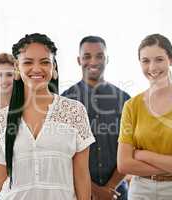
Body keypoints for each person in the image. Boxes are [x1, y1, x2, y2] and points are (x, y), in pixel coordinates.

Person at [0, 33, 95, 200]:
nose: (36, 69)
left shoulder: (74, 111)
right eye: (28, 62)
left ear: (54, 68)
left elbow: (82, 176)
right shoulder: (2, 118)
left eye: (44, 62)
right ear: (17, 68)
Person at [117, 33, 172, 200]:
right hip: (141, 191)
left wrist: (144, 155)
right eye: (146, 61)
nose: (152, 67)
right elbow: (124, 164)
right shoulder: (132, 106)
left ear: (170, 60)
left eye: (159, 59)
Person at [62, 36, 130, 200]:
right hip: (78, 193)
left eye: (99, 56)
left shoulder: (125, 100)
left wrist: (110, 188)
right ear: (79, 60)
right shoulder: (65, 101)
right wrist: (94, 190)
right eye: (87, 56)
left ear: (107, 59)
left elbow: (131, 149)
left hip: (117, 193)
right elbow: (62, 153)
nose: (93, 61)